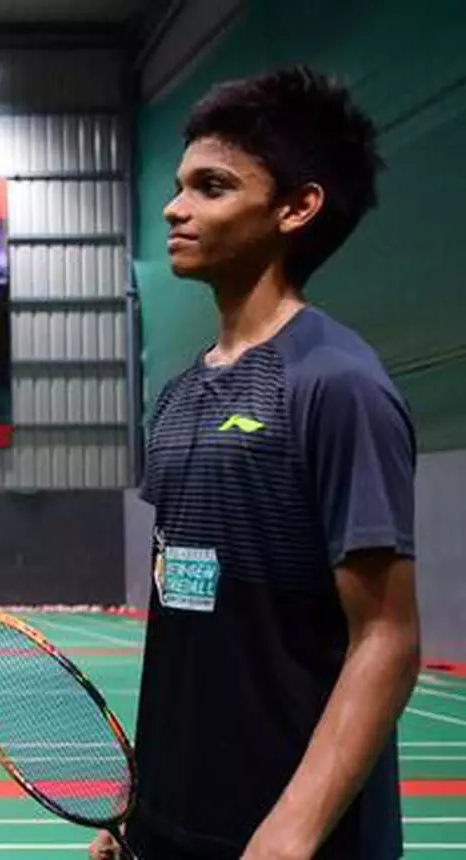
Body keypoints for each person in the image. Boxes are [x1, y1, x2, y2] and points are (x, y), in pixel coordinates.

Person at [92, 66, 421, 859]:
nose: (175, 207)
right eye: (179, 186)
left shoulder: (336, 385)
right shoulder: (177, 397)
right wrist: (142, 807)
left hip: (297, 841)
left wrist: (292, 831)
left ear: (295, 208)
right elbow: (184, 619)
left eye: (212, 187)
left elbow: (387, 637)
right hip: (173, 829)